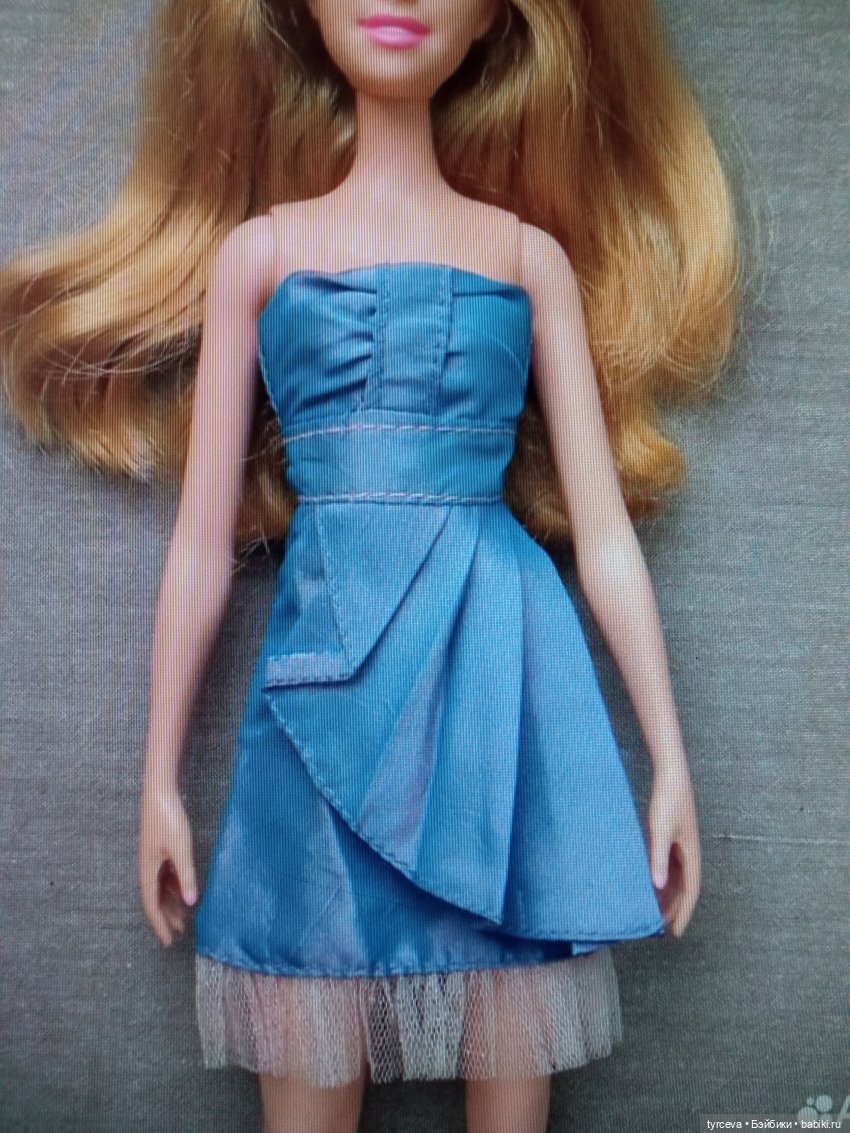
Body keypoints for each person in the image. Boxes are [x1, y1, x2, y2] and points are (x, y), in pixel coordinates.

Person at [0, 2, 739, 1130]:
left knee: (512, 1042)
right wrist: (158, 777)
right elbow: (200, 541)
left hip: (499, 685)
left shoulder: (527, 258)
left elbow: (602, 534)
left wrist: (671, 757)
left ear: (494, 18)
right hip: (324, 674)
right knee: (305, 992)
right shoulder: (259, 254)